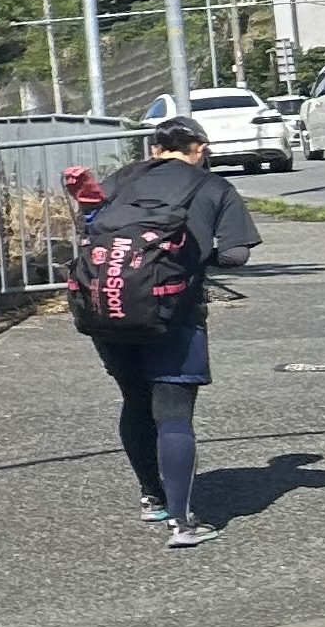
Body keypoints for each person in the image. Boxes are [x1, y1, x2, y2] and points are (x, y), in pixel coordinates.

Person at [82, 116, 260, 549]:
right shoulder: (213, 187)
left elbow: (92, 228)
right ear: (198, 147)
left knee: (134, 401)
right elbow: (236, 255)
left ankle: (151, 497)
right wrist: (196, 258)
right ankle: (182, 523)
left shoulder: (120, 179)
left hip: (111, 309)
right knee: (173, 411)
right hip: (174, 313)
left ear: (155, 148)